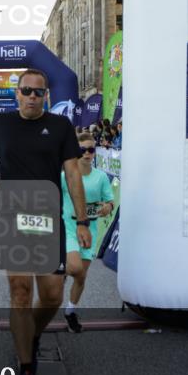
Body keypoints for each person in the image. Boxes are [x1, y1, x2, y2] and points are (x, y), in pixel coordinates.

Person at [0, 69, 91, 375]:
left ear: (47, 96)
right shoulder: (1, 125)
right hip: (11, 218)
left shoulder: (60, 127)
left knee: (52, 295)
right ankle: (26, 369)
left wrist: (81, 221)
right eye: (26, 90)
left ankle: (31, 335)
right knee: (21, 293)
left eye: (39, 92)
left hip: (46, 219)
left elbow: (72, 175)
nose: (32, 96)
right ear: (17, 93)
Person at [61, 132, 114, 333]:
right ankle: (57, 271)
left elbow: (109, 201)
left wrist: (107, 207)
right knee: (73, 267)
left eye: (91, 150)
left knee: (81, 276)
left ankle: (70, 311)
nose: (87, 154)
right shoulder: (65, 175)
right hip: (69, 227)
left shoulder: (100, 177)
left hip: (90, 230)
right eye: (82, 150)